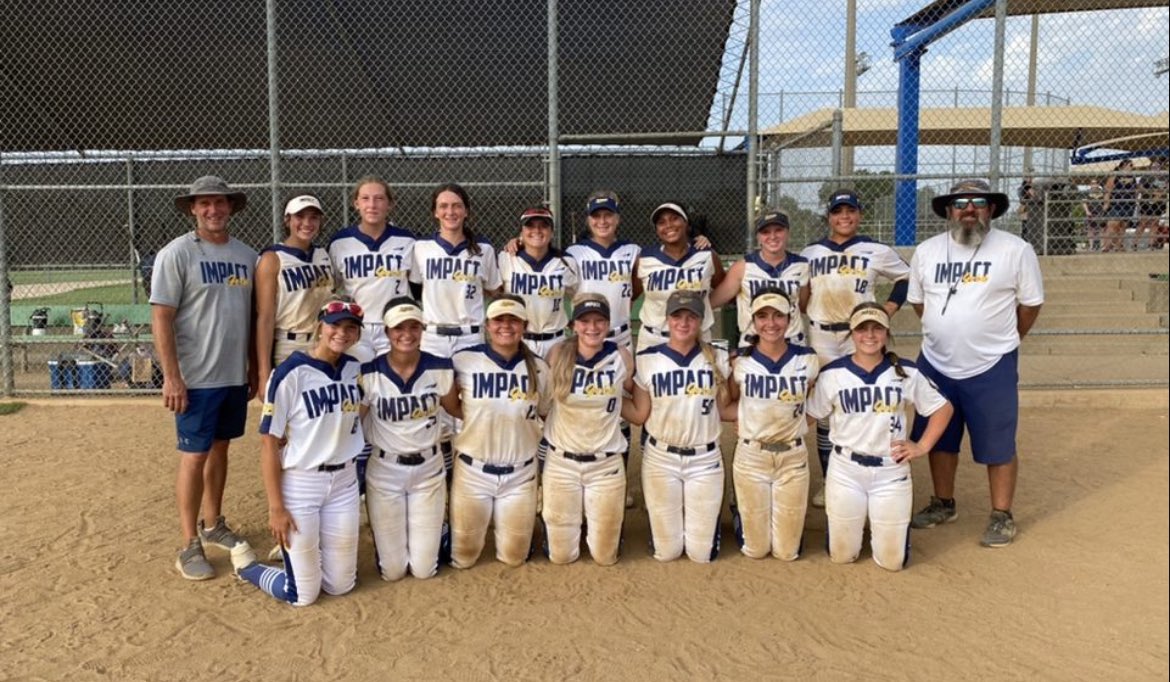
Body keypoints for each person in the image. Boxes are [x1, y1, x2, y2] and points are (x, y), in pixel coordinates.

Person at [908, 179, 1044, 548]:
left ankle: (1001, 514)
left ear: (992, 209)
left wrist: (1007, 339)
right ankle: (943, 503)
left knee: (998, 442)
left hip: (991, 364)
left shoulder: (1015, 250)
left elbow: (1031, 304)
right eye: (960, 203)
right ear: (948, 210)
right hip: (936, 362)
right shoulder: (927, 251)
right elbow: (919, 302)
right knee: (940, 438)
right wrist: (944, 330)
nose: (969, 209)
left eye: (978, 202)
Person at [152, 175, 259, 581]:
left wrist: (252, 366)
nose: (213, 210)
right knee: (194, 455)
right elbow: (161, 317)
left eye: (220, 202)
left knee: (220, 448)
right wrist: (172, 376)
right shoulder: (177, 253)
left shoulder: (246, 255)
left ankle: (213, 523)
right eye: (204, 204)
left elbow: (253, 318)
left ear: (230, 207)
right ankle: (188, 542)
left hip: (232, 375)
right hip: (196, 377)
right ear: (193, 209)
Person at [236, 300, 366, 605]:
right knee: (303, 595)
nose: (342, 333)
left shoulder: (354, 368)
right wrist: (276, 508)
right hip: (302, 483)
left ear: (358, 334)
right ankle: (248, 567)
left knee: (341, 585)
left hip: (344, 483)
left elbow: (360, 408)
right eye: (334, 325)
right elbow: (269, 442)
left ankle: (305, 558)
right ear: (320, 327)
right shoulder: (290, 372)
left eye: (350, 328)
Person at [805, 303, 952, 571]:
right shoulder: (833, 374)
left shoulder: (905, 372)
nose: (870, 335)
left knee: (892, 562)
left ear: (887, 332)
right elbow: (808, 416)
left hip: (890, 471)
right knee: (842, 555)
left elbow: (943, 408)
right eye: (862, 329)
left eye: (877, 328)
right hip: (846, 470)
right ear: (852, 333)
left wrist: (922, 446)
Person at [800, 189, 909, 508]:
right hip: (821, 334)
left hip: (859, 335)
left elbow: (906, 277)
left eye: (850, 211)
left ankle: (868, 476)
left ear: (860, 214)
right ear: (828, 217)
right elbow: (802, 293)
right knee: (824, 410)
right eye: (838, 211)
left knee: (859, 404)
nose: (844, 217)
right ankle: (830, 480)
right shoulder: (811, 252)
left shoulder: (875, 250)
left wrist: (888, 308)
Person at [625, 290, 736, 563]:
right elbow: (639, 415)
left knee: (701, 554)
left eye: (691, 317)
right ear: (667, 319)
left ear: (701, 321)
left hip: (704, 459)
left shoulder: (718, 358)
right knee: (668, 553)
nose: (683, 323)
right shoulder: (648, 359)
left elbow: (724, 409)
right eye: (677, 316)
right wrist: (602, 396)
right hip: (661, 459)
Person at [359, 298, 460, 581]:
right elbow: (352, 421)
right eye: (399, 328)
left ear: (423, 328)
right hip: (385, 471)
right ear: (387, 331)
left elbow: (456, 409)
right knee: (393, 572)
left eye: (414, 326)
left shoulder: (440, 367)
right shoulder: (369, 373)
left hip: (428, 470)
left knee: (424, 570)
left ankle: (440, 531)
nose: (407, 334)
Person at [447, 296, 550, 568]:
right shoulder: (463, 360)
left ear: (524, 326)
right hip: (473, 472)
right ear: (487, 325)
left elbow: (545, 412)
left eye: (513, 320)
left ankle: (529, 529)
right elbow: (452, 405)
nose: (506, 326)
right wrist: (479, 417)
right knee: (464, 557)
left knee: (514, 558)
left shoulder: (539, 368)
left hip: (520, 473)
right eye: (499, 320)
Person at [722, 288, 819, 560]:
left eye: (778, 315)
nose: (771, 323)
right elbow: (730, 405)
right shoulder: (740, 361)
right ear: (753, 320)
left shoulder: (808, 359)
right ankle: (739, 509)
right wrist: (749, 419)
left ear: (790, 318)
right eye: (762, 316)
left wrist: (796, 425)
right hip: (752, 455)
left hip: (792, 456)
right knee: (756, 550)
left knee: (787, 552)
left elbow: (814, 404)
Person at [541, 293, 636, 565]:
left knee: (605, 557)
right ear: (574, 325)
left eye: (599, 321)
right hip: (562, 463)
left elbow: (635, 399)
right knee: (561, 557)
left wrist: (617, 406)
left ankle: (603, 528)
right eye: (584, 321)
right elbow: (544, 407)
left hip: (605, 464)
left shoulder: (621, 356)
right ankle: (557, 528)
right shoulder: (557, 354)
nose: (592, 328)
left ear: (608, 324)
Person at [328, 176, 416, 364]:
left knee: (392, 378)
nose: (372, 205)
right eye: (365, 198)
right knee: (357, 378)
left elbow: (417, 284)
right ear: (356, 203)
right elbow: (332, 287)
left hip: (395, 323)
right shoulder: (340, 242)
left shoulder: (407, 240)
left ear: (390, 204)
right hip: (356, 325)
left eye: (379, 198)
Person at [255, 195, 335, 390]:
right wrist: (263, 372)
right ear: (287, 220)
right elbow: (265, 318)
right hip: (289, 345)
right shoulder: (272, 258)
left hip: (322, 342)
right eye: (300, 216)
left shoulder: (323, 255)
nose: (307, 223)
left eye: (313, 217)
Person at [710, 209, 810, 349]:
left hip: (792, 343)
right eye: (765, 232)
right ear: (758, 237)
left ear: (787, 232)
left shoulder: (801, 265)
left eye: (778, 230)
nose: (772, 236)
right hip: (753, 344)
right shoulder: (743, 267)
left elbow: (803, 306)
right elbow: (712, 301)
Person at [635, 202, 726, 352]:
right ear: (657, 230)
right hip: (654, 340)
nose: (668, 225)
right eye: (661, 222)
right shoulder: (645, 258)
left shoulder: (706, 255)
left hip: (697, 338)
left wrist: (705, 304)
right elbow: (631, 294)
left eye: (674, 218)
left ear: (687, 224)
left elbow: (725, 289)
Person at [564, 192, 641, 353]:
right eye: (596, 216)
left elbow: (635, 291)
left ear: (617, 219)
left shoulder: (632, 251)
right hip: (586, 337)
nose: (602, 221)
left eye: (608, 215)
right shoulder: (574, 252)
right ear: (588, 220)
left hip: (621, 336)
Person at [498, 206, 579, 358]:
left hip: (556, 341)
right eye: (530, 226)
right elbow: (495, 293)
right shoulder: (506, 258)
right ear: (521, 232)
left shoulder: (566, 262)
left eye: (543, 226)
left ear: (552, 232)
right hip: (520, 340)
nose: (537, 230)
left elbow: (577, 296)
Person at [1102, 159, 1138, 252]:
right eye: (1130, 165)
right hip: (1116, 203)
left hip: (1129, 204)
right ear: (1123, 166)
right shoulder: (1115, 176)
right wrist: (1106, 203)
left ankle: (1118, 246)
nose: (1132, 167)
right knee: (1112, 224)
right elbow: (1108, 190)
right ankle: (1106, 246)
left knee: (1123, 226)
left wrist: (1135, 201)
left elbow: (1135, 190)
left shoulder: (1132, 177)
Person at [1137, 157, 1167, 251]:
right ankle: (1135, 243)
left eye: (1158, 166)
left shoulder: (1164, 176)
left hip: (1159, 202)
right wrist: (1151, 193)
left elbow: (1167, 187)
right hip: (1147, 202)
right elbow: (1140, 187)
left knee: (1155, 224)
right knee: (1143, 223)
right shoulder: (1146, 176)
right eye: (1153, 166)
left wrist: (1159, 194)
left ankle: (1151, 245)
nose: (1155, 168)